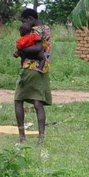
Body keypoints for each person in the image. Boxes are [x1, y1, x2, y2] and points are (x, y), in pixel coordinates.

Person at [14, 7, 52, 142]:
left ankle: (22, 136)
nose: (23, 25)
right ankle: (41, 137)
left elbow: (37, 48)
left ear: (30, 19)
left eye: (24, 21)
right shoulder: (46, 28)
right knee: (38, 102)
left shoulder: (34, 31)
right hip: (42, 70)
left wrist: (20, 50)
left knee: (18, 100)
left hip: (30, 68)